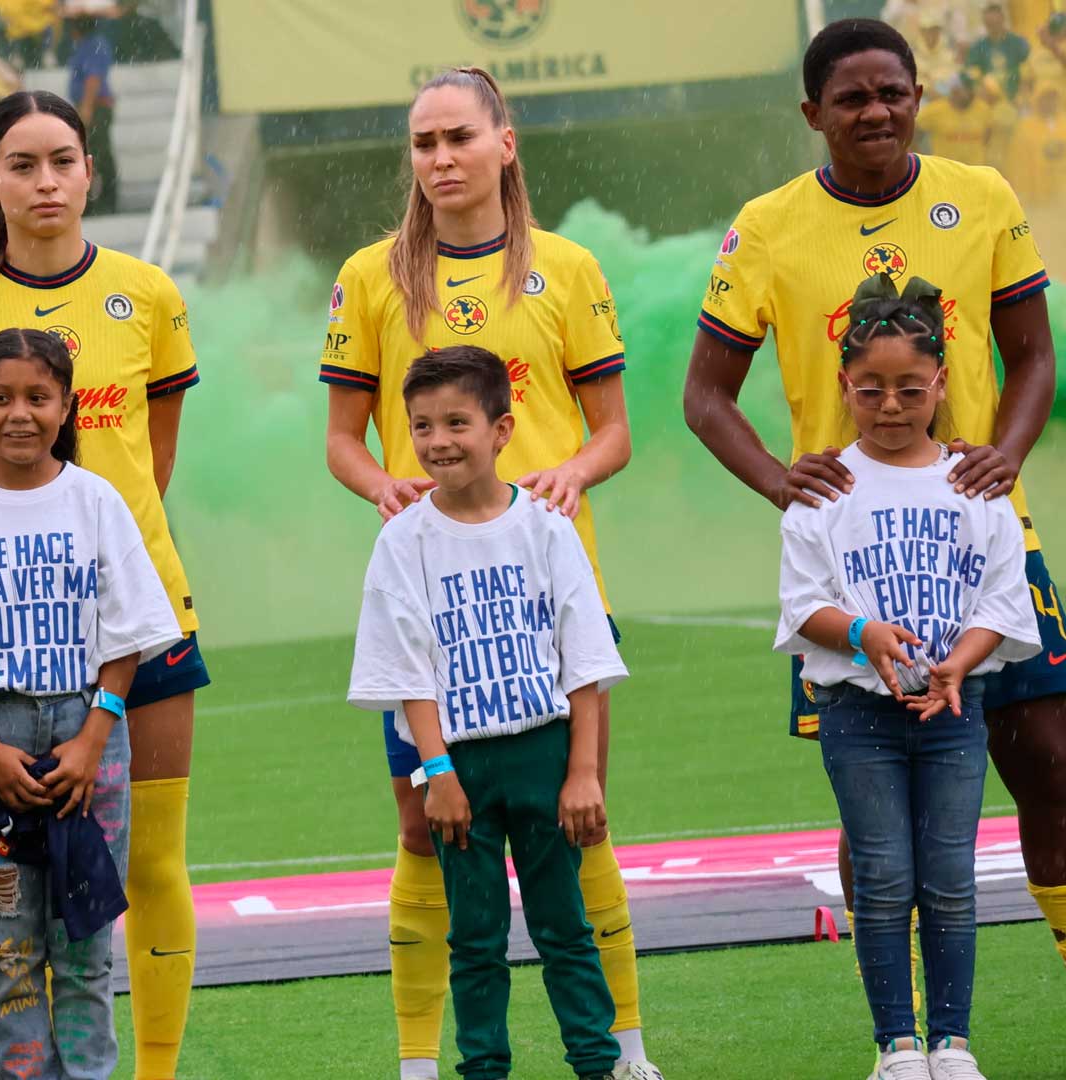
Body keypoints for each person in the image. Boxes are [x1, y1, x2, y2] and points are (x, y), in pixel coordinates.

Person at [683, 16, 1066, 984]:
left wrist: (1006, 458)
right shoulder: (767, 227)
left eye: (893, 91)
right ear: (813, 113)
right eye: (851, 97)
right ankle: (899, 1032)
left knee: (1056, 768)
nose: (876, 111)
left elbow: (1033, 358)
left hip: (984, 541)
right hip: (852, 571)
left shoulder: (980, 198)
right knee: (881, 816)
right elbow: (704, 397)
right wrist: (780, 478)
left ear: (920, 98)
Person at [317, 67, 654, 1080]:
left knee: (578, 826)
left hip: (550, 602)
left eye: (459, 136)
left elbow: (614, 433)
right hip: (436, 611)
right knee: (427, 829)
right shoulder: (372, 277)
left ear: (506, 143)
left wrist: (571, 473)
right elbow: (342, 440)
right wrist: (382, 484)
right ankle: (425, 1062)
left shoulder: (567, 267)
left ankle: (625, 1052)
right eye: (423, 143)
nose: (441, 159)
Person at [0, 90, 207, 1080]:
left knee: (147, 868)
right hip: (4, 656)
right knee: (13, 921)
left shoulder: (148, 293)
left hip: (136, 624)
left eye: (63, 161)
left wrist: (94, 576)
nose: (46, 182)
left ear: (91, 172)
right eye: (22, 165)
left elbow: (146, 470)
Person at [0, 327, 179, 1080]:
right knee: (9, 953)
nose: (20, 414)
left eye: (38, 398)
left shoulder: (96, 501)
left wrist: (90, 739)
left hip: (90, 735)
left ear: (67, 404)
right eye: (1, 397)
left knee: (83, 946)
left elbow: (130, 628)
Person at [774, 272, 1039, 1080]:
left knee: (951, 876)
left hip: (956, 709)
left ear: (941, 385)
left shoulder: (976, 485)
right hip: (859, 716)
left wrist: (960, 664)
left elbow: (1003, 597)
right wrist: (863, 636)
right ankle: (896, 1044)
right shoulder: (824, 491)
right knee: (884, 875)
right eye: (871, 390)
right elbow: (800, 604)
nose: (890, 406)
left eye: (909, 389)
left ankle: (952, 1042)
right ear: (844, 385)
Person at [348, 346, 626, 1080]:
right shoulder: (402, 541)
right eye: (422, 426)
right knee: (474, 938)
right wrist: (435, 772)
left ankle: (600, 1064)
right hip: (458, 768)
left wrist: (583, 772)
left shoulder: (545, 526)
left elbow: (585, 660)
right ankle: (483, 1069)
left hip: (545, 755)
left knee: (564, 926)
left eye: (457, 423)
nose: (438, 441)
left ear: (502, 429)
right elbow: (406, 669)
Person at [67, 11, 116, 214]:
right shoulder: (86, 46)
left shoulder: (94, 45)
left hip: (95, 107)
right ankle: (96, 200)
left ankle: (107, 200)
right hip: (89, 106)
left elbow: (93, 78)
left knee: (99, 154)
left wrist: (86, 107)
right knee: (93, 153)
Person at [965, 3, 1029, 102]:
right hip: (990, 100)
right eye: (989, 24)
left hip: (1017, 97)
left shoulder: (1019, 43)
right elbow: (972, 74)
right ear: (985, 24)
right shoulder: (977, 47)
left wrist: (1022, 95)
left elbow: (1028, 71)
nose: (993, 26)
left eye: (996, 22)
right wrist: (981, 90)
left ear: (1002, 19)